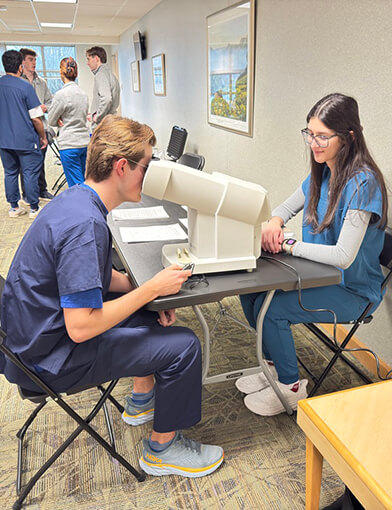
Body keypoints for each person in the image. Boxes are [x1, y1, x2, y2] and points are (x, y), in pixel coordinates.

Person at [0, 114, 224, 478]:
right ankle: (163, 450)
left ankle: (140, 403)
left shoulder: (75, 199)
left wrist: (146, 295)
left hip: (33, 338)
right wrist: (150, 289)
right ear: (122, 167)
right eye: (146, 166)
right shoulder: (85, 226)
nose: (148, 175)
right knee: (184, 346)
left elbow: (94, 277)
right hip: (50, 359)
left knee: (150, 314)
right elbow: (81, 327)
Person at [235, 93, 388, 416]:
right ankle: (274, 369)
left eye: (322, 136)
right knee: (250, 293)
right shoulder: (324, 171)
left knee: (271, 308)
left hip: (353, 289)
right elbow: (284, 208)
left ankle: (290, 387)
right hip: (315, 273)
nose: (313, 143)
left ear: (348, 137)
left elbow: (345, 256)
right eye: (309, 134)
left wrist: (287, 244)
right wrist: (274, 222)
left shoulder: (364, 183)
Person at [0, 50, 47, 219]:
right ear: (20, 66)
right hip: (25, 140)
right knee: (29, 173)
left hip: (4, 140)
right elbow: (36, 118)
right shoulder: (25, 86)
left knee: (10, 172)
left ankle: (14, 208)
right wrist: (43, 136)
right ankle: (34, 208)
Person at [48, 57, 90, 187]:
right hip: (84, 143)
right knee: (85, 180)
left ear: (61, 73)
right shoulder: (83, 94)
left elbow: (51, 120)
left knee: (76, 186)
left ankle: (82, 206)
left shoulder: (61, 95)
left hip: (69, 144)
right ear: (76, 73)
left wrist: (60, 119)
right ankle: (89, 205)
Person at [20, 47, 54, 203]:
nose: (34, 63)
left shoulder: (42, 82)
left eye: (35, 60)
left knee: (40, 162)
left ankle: (42, 190)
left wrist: (45, 107)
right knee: (25, 164)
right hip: (24, 129)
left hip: (42, 127)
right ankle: (27, 193)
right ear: (22, 62)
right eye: (30, 60)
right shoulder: (18, 82)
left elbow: (50, 101)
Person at [86, 46, 120, 131]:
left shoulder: (100, 75)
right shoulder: (111, 75)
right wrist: (94, 113)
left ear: (96, 59)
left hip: (103, 125)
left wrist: (98, 116)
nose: (88, 63)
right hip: (111, 122)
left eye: (89, 59)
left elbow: (106, 98)